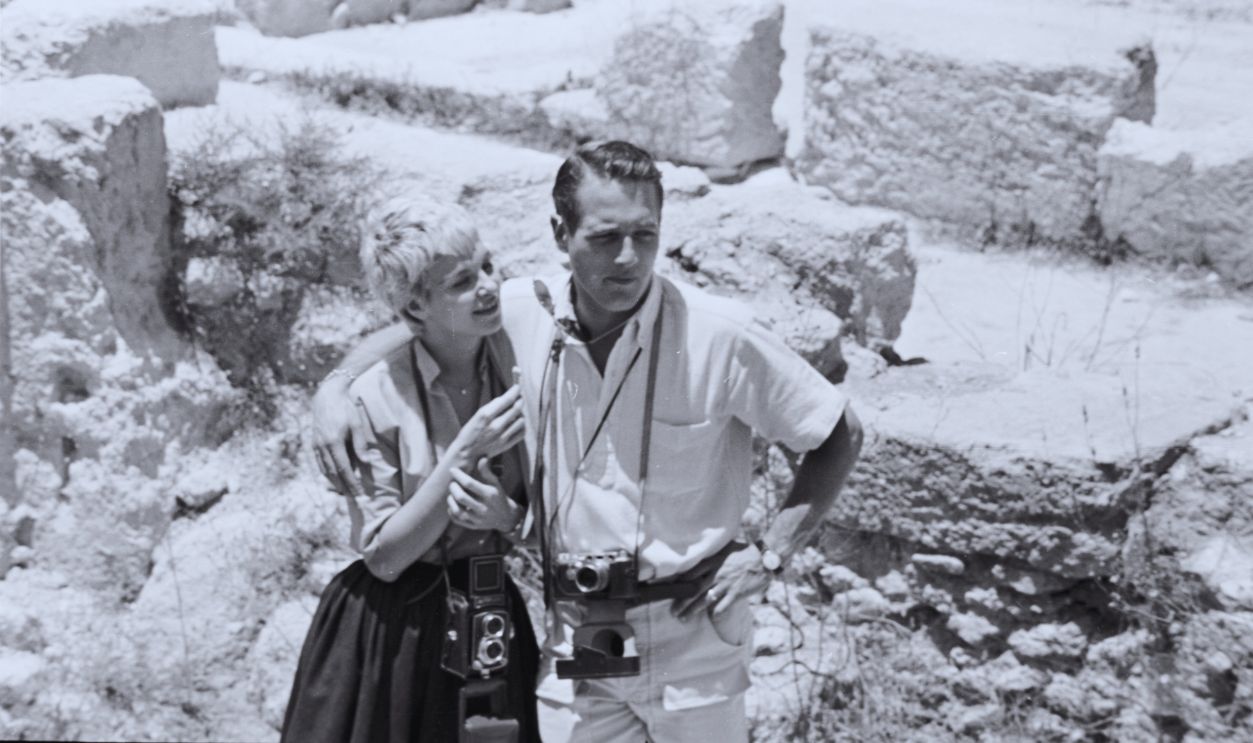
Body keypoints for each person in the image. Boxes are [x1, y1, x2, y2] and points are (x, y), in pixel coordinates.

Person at [311, 141, 864, 743]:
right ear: (560, 233)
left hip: (692, 633)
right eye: (604, 238)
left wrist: (771, 554)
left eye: (645, 235)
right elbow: (419, 325)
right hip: (582, 632)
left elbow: (839, 433)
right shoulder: (520, 314)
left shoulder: (720, 333)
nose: (628, 258)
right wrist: (334, 386)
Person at [284, 197, 543, 742]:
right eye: (463, 281)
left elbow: (534, 517)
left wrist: (508, 516)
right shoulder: (375, 397)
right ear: (415, 307)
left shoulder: (518, 349)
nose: (489, 286)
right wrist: (463, 454)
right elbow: (385, 557)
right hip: (393, 632)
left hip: (490, 612)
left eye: (488, 265)